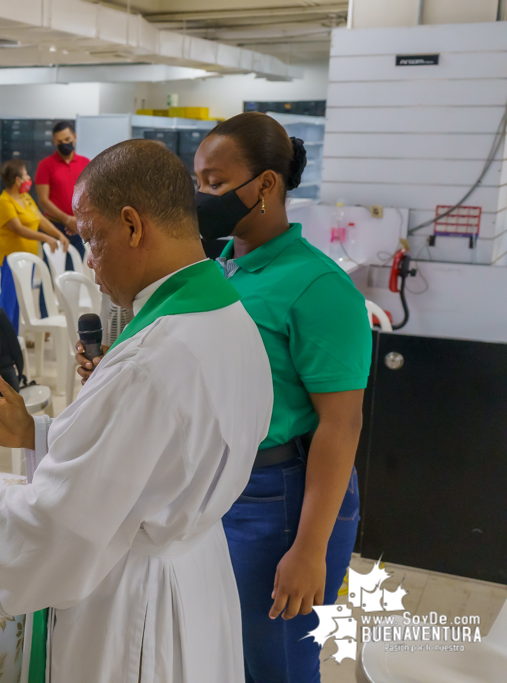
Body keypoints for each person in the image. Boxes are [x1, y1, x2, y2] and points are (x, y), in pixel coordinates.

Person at [0, 139, 274, 682]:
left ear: (134, 226)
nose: (88, 261)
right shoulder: (230, 318)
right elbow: (154, 464)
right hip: (196, 573)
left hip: (134, 608)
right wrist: (36, 434)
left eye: (92, 238)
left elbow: (65, 527)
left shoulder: (150, 359)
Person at [195, 112, 370, 683]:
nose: (204, 196)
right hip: (226, 485)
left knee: (279, 663)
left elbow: (340, 427)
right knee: (234, 652)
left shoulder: (318, 287)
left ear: (266, 185)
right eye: (198, 182)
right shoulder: (223, 267)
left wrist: (309, 549)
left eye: (217, 183)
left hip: (285, 498)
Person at [0, 159, 68, 333]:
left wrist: (58, 234)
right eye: (25, 174)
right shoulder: (4, 202)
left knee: (21, 300)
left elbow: (40, 219)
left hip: (29, 259)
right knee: (9, 301)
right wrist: (45, 238)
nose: (28, 178)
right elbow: (19, 229)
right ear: (18, 179)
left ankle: (15, 336)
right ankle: (5, 339)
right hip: (10, 260)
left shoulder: (25, 198)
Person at [35, 121, 89, 265]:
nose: (64, 144)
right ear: (54, 141)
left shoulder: (85, 163)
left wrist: (78, 220)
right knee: (53, 272)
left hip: (78, 227)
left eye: (67, 140)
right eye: (59, 141)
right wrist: (67, 219)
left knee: (75, 273)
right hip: (54, 227)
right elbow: (43, 201)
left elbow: (90, 196)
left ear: (75, 137)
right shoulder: (45, 165)